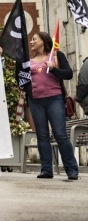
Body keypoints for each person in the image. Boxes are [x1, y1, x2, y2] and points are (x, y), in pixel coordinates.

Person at [28, 32, 79, 180]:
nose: (31, 42)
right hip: (35, 101)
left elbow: (69, 74)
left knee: (60, 134)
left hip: (54, 99)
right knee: (42, 136)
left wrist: (54, 69)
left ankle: (71, 169)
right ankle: (46, 170)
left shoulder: (56, 56)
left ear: (43, 42)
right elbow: (23, 80)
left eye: (34, 39)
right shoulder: (29, 61)